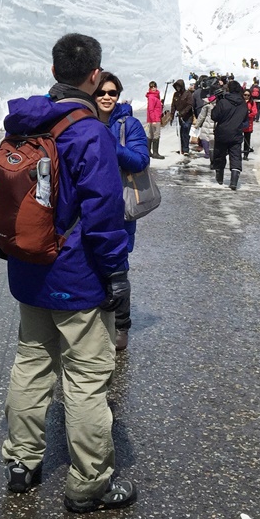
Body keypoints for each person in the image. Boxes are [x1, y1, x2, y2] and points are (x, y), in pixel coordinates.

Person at [0, 33, 138, 512]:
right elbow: (102, 215)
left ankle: (22, 463)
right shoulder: (88, 132)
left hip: (29, 267)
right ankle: (89, 484)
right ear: (94, 75)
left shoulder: (24, 123)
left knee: (32, 363)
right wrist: (115, 273)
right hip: (76, 276)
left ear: (55, 70)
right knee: (85, 378)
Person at [94, 71, 148, 352]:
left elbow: (140, 160)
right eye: (101, 92)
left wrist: (110, 144)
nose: (106, 97)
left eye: (112, 93)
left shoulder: (129, 125)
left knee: (117, 268)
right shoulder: (82, 122)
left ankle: (120, 327)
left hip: (119, 207)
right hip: (89, 207)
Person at [209, 79, 247, 190]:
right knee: (235, 156)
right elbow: (245, 119)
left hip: (222, 133)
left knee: (220, 154)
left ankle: (219, 176)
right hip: (236, 133)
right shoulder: (243, 103)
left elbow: (214, 116)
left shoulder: (223, 101)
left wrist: (218, 103)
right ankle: (234, 181)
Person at [170, 79, 195, 155]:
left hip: (187, 117)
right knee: (181, 133)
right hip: (179, 117)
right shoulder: (176, 94)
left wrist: (183, 112)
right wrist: (172, 116)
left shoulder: (187, 94)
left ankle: (186, 149)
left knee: (185, 133)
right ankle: (182, 148)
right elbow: (173, 106)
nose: (178, 88)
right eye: (176, 87)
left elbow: (190, 105)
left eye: (179, 86)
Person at [143, 80, 164, 159]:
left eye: (154, 86)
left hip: (155, 118)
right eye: (152, 87)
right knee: (156, 135)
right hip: (154, 119)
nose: (154, 88)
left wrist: (160, 103)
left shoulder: (156, 96)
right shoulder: (152, 97)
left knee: (151, 135)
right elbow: (151, 109)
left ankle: (148, 152)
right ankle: (155, 153)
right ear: (150, 88)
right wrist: (154, 120)